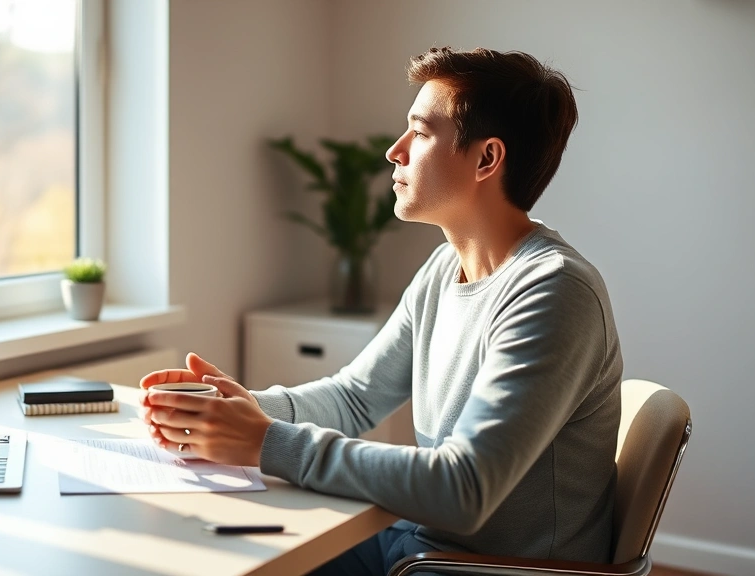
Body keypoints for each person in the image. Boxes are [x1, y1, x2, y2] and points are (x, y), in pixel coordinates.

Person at [139, 47, 622, 575]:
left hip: (478, 569)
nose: (395, 151)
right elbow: (355, 397)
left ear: (486, 159)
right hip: (415, 545)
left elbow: (463, 489)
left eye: (420, 132)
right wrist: (242, 410)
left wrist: (264, 440)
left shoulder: (555, 292)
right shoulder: (444, 269)